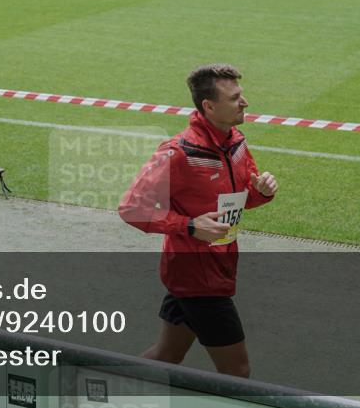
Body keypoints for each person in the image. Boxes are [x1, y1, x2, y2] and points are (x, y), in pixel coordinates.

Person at [118, 64, 278, 378]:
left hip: (218, 264)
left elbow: (240, 197)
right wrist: (190, 226)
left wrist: (262, 192)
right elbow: (132, 208)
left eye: (241, 95)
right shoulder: (178, 153)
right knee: (238, 372)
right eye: (234, 98)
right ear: (209, 106)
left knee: (168, 354)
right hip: (197, 276)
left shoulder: (236, 141)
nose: (244, 102)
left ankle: (103, 391)